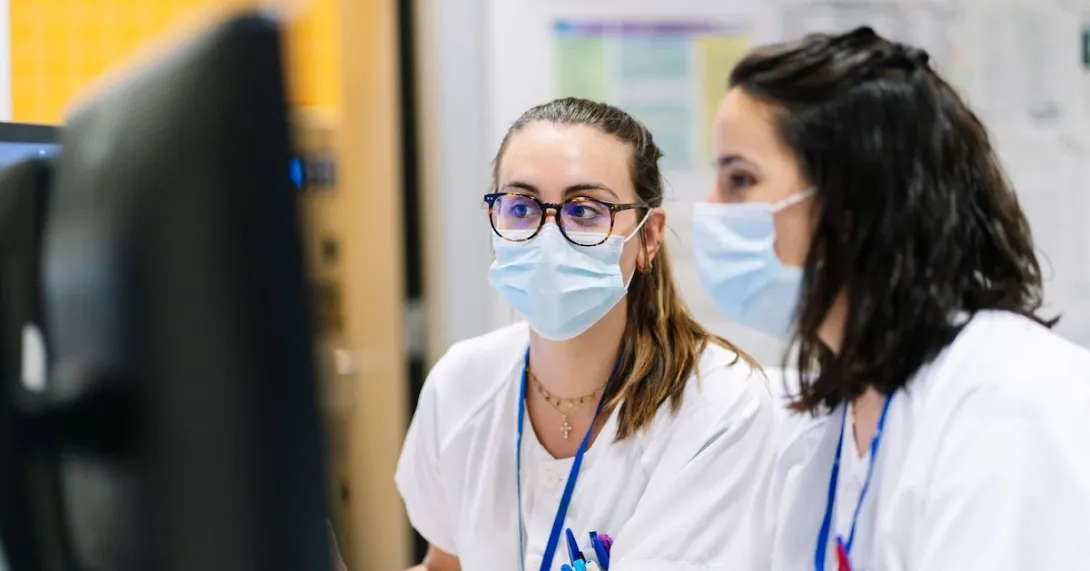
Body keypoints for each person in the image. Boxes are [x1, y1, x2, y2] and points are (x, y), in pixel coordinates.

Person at [691, 26, 1090, 570]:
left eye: (740, 178)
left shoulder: (1007, 406)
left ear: (853, 200)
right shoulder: (832, 421)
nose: (711, 207)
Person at [395, 97, 776, 571]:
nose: (547, 235)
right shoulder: (461, 382)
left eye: (585, 211)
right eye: (520, 206)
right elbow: (444, 564)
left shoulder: (720, 405)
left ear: (648, 236)